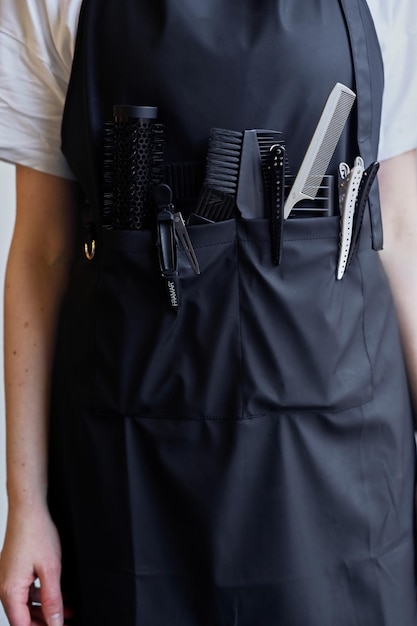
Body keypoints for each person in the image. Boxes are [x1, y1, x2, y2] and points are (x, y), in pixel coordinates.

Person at [0, 1, 417, 625]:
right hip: (131, 474)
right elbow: (44, 252)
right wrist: (26, 503)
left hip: (344, 474)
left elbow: (403, 233)